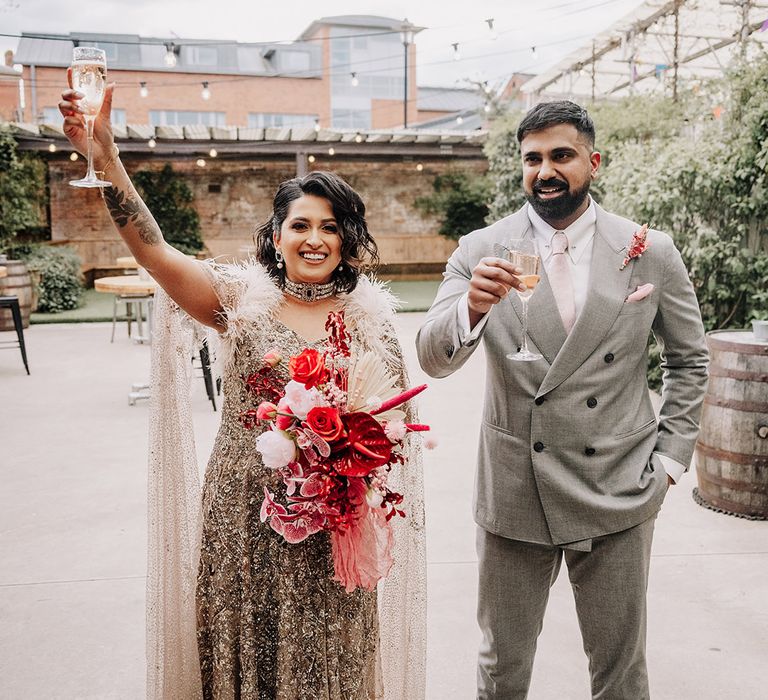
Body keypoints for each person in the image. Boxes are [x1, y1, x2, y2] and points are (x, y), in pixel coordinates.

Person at [59, 81, 426, 700]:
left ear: (347, 239)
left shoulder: (371, 320)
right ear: (276, 236)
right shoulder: (238, 303)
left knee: (326, 651)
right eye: (300, 225)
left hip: (330, 527)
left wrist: (346, 462)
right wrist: (107, 156)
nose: (315, 239)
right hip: (243, 516)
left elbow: (392, 430)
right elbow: (154, 253)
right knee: (246, 644)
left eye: (330, 227)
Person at [416, 100, 708, 699]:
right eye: (532, 159)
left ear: (592, 162)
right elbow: (431, 358)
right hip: (516, 488)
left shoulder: (649, 250)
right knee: (502, 667)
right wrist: (471, 307)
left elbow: (689, 358)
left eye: (561, 156)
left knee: (620, 671)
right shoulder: (480, 249)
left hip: (619, 484)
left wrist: (671, 461)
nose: (545, 170)